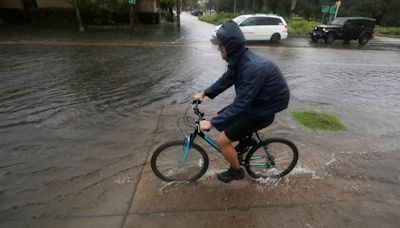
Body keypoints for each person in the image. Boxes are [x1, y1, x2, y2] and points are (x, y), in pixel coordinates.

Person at [194, 21, 290, 183]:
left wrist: (211, 123)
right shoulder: (239, 60)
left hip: (262, 111)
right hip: (257, 103)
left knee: (222, 141)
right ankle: (247, 140)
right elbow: (226, 80)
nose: (218, 49)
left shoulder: (252, 68)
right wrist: (205, 93)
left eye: (220, 46)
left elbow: (241, 105)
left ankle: (236, 171)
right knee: (223, 117)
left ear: (230, 47)